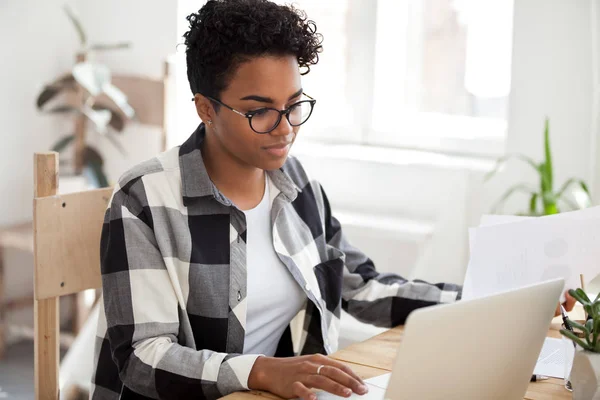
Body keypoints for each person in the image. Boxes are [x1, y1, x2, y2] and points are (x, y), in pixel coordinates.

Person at [90, 1, 575, 399]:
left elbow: (357, 286)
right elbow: (142, 357)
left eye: (294, 105)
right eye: (260, 112)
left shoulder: (292, 182)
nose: (286, 129)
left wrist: (490, 299)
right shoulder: (144, 201)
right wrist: (261, 371)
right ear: (205, 108)